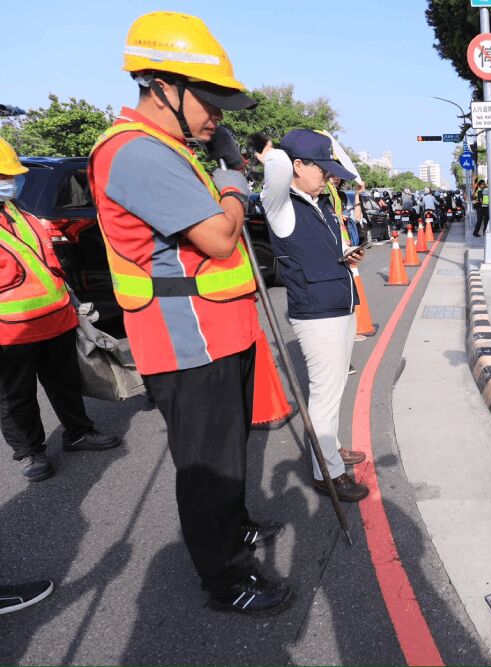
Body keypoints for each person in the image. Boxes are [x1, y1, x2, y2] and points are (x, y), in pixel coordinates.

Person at [89, 11, 289, 614]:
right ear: (163, 88)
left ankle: (235, 532)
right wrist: (232, 178)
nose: (218, 117)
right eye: (210, 100)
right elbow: (222, 239)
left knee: (227, 455)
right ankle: (225, 579)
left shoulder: (168, 149)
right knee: (206, 467)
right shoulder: (135, 152)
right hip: (186, 340)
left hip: (215, 331)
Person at [1, 138, 122, 483]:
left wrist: (72, 304)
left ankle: (78, 432)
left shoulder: (17, 213)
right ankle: (30, 452)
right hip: (11, 330)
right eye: (4, 176)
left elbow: (46, 264)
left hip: (55, 320)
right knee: (15, 396)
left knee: (65, 383)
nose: (12, 182)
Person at [260, 130, 369, 502]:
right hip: (316, 312)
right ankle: (328, 472)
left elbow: (330, 249)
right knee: (324, 392)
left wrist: (350, 253)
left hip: (339, 304)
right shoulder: (281, 204)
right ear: (297, 165)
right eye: (321, 169)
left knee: (335, 388)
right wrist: (283, 150)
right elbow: (274, 165)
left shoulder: (319, 203)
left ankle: (332, 448)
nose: (328, 176)